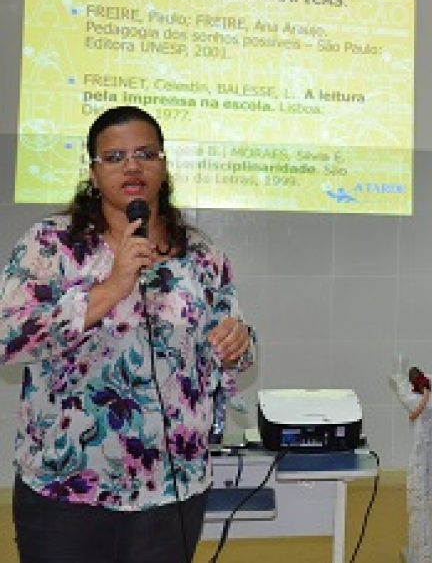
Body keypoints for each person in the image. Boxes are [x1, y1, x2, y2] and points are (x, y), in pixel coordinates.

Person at [1, 105, 255, 563]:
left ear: (163, 164)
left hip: (172, 490)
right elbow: (8, 338)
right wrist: (113, 287)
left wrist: (238, 343)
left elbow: (237, 344)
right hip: (67, 488)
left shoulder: (200, 254)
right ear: (93, 173)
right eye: (114, 157)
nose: (132, 166)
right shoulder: (49, 245)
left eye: (145, 153)